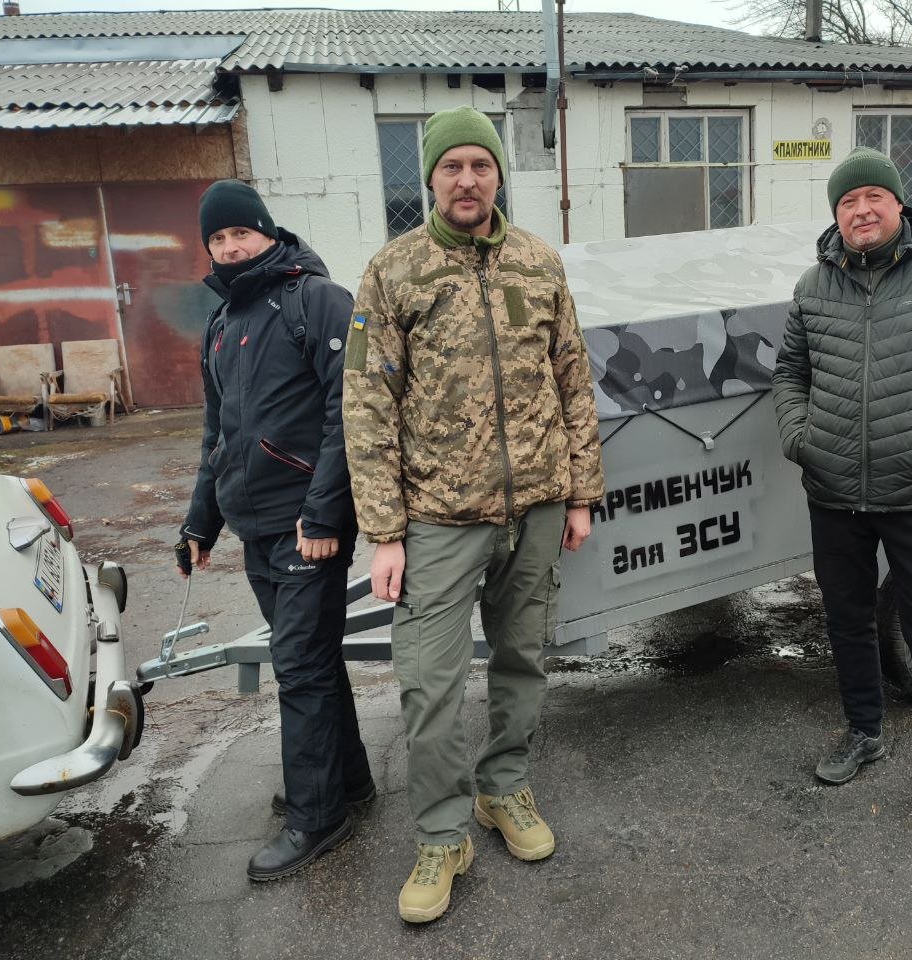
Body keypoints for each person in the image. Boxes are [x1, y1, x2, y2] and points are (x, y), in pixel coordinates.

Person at [343, 106, 604, 922]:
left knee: (523, 660)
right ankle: (441, 832)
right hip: (439, 520)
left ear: (498, 175)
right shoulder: (394, 273)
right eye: (451, 166)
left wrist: (581, 491)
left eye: (479, 166)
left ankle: (504, 790)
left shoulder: (538, 261)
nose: (466, 180)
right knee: (427, 683)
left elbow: (572, 378)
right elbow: (367, 405)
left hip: (533, 508)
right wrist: (384, 532)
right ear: (430, 177)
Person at [771, 147, 912, 833]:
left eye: (874, 196)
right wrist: (800, 437)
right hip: (833, 488)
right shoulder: (815, 286)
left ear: (899, 204)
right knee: (846, 622)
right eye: (848, 202)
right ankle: (864, 733)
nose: (862, 210)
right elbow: (789, 371)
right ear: (837, 214)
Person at [180, 179, 376, 880]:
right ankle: (346, 782)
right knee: (313, 662)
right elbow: (218, 433)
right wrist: (199, 523)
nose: (231, 247)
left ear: (268, 231)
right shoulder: (222, 323)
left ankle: (317, 816)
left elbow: (350, 412)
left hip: (307, 525)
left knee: (297, 668)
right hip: (254, 526)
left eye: (242, 233)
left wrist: (324, 513)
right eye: (218, 239)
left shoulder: (316, 301)